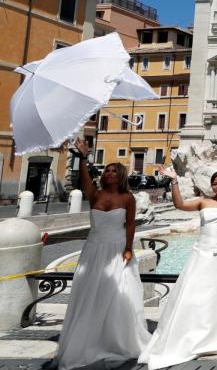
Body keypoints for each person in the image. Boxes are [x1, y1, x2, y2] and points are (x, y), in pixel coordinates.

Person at [139, 167, 217, 369]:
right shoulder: (203, 201)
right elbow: (179, 204)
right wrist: (174, 180)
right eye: (215, 183)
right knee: (196, 294)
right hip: (203, 253)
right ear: (212, 185)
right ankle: (191, 332)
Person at [52, 139, 150, 370]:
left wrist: (128, 248)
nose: (108, 173)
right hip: (93, 250)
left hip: (116, 250)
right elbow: (85, 179)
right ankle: (88, 339)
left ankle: (115, 339)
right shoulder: (95, 195)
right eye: (106, 170)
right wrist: (83, 157)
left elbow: (130, 226)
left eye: (113, 171)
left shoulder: (128, 198)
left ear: (121, 175)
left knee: (116, 295)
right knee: (89, 294)